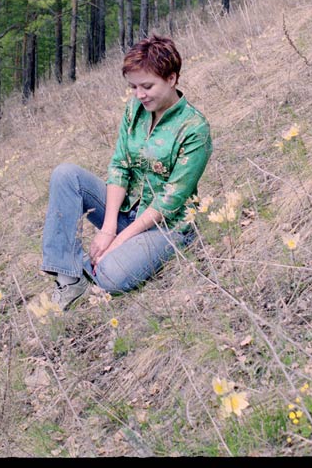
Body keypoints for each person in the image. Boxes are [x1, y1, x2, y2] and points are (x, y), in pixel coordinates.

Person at [40, 35, 213, 310]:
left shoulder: (194, 129)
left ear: (171, 78)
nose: (139, 94)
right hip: (127, 211)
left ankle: (92, 267)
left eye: (147, 86)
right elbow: (120, 165)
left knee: (110, 277)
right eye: (133, 87)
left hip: (166, 226)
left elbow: (169, 201)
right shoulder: (136, 109)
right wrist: (109, 229)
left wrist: (120, 240)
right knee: (66, 175)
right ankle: (70, 278)